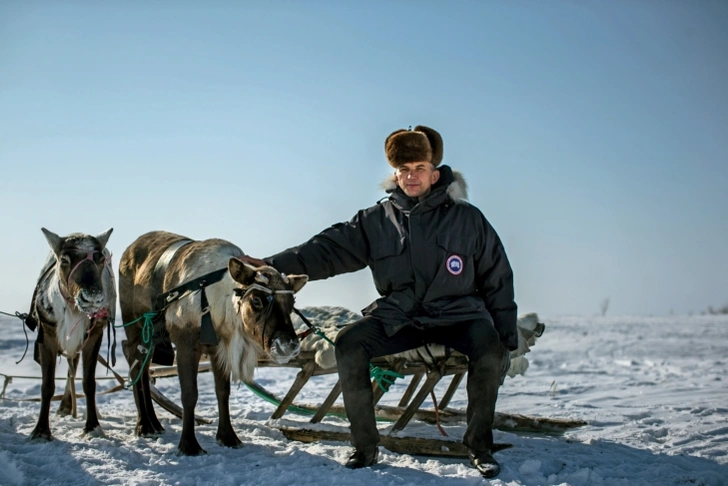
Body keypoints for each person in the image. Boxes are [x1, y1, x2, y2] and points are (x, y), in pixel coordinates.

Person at [243, 125, 517, 478]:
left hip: (459, 315)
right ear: (394, 174)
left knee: (489, 347)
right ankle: (365, 446)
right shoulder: (375, 221)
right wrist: (271, 264)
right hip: (401, 316)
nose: (411, 176)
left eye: (419, 168)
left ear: (435, 173)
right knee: (349, 343)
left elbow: (498, 277)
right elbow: (326, 251)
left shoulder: (468, 219)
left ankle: (480, 447)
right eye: (403, 170)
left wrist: (506, 336)